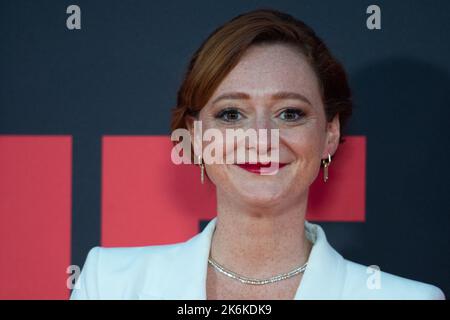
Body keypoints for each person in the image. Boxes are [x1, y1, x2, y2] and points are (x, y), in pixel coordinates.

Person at [71, 8, 445, 300]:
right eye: (231, 114)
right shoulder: (111, 283)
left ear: (330, 135)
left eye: (290, 113)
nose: (261, 138)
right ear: (195, 136)